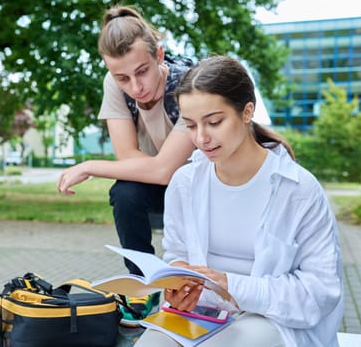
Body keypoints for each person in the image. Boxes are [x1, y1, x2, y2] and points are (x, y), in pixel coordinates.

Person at [136, 55, 344, 346]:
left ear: (247, 112)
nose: (201, 138)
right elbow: (177, 253)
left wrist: (231, 285)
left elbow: (320, 292)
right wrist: (179, 284)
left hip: (274, 319)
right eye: (190, 126)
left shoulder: (299, 190)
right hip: (203, 313)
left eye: (214, 122)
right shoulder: (185, 183)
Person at [56, 5, 195, 325]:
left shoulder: (190, 83)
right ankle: (142, 287)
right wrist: (161, 166)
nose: (135, 87)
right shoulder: (113, 83)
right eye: (122, 78)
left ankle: (192, 291)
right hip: (166, 182)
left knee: (143, 181)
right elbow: (130, 158)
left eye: (142, 71)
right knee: (126, 192)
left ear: (159, 55)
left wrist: (90, 165)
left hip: (207, 188)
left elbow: (164, 171)